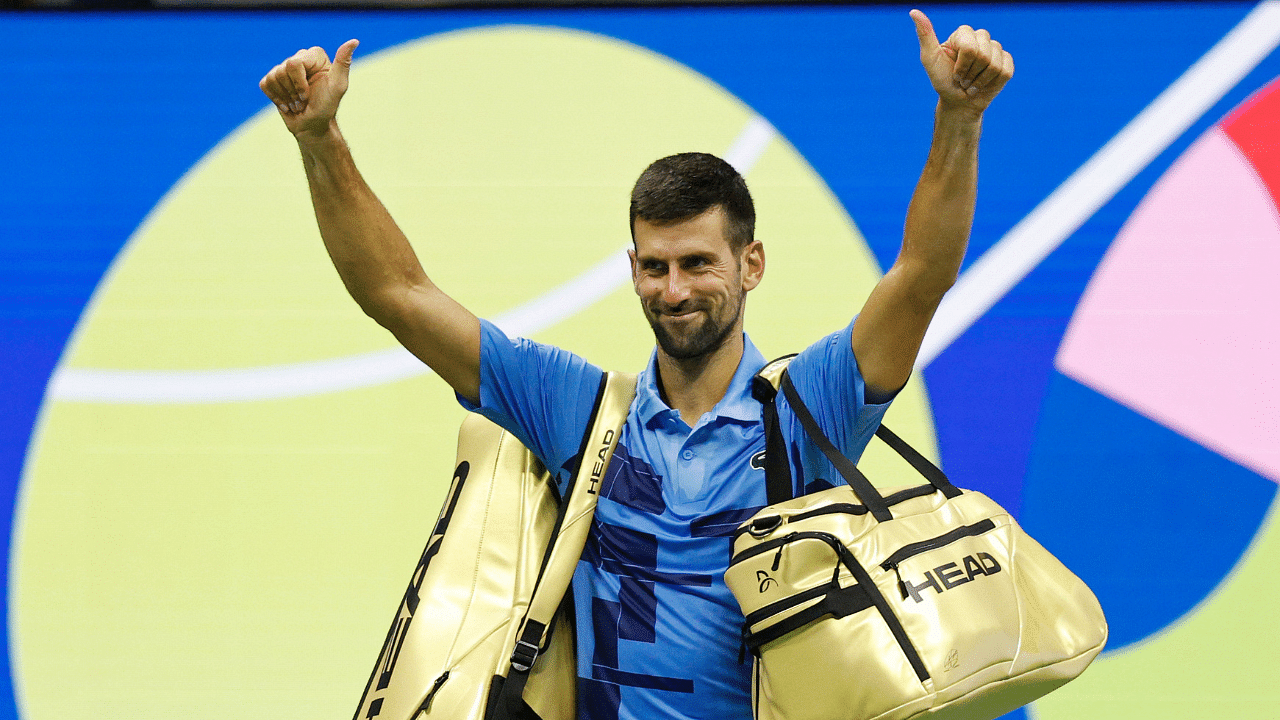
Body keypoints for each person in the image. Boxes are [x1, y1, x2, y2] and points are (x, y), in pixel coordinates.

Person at [260, 9, 1012, 720]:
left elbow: (920, 275)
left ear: (751, 264)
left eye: (696, 263)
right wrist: (320, 140)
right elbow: (397, 293)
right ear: (631, 268)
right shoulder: (575, 409)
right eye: (655, 267)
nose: (674, 291)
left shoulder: (808, 409)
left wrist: (960, 119)